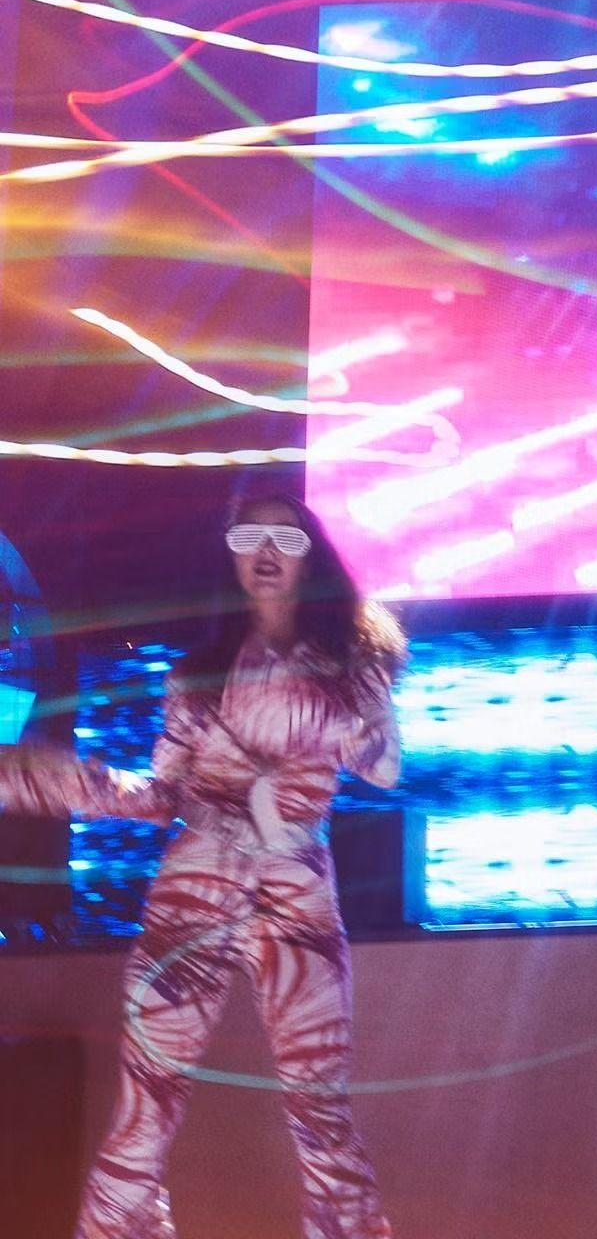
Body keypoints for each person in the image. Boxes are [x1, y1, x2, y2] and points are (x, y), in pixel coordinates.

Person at [0, 489, 404, 1239]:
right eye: (249, 537)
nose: (266, 552)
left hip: (295, 890)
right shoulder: (196, 675)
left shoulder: (353, 665)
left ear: (311, 556)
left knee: (320, 1109)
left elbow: (382, 766)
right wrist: (56, 781)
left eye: (285, 538)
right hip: (196, 885)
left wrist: (315, 695)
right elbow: (164, 795)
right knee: (145, 1106)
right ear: (231, 556)